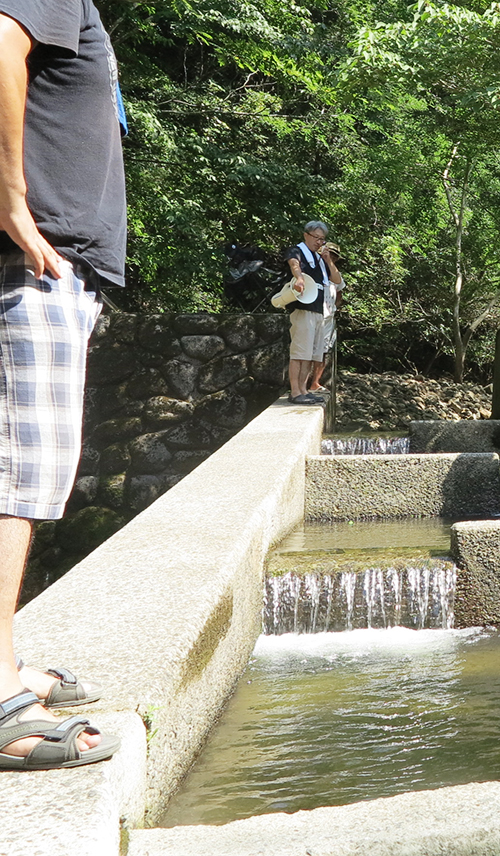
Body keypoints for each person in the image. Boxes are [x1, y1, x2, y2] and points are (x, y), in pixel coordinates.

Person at [0, 0, 125, 769]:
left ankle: (6, 663)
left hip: (43, 268)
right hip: (33, 266)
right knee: (18, 476)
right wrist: (13, 198)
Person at [285, 221, 343, 404]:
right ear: (306, 235)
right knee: (299, 353)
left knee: (311, 354)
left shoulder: (320, 259)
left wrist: (328, 260)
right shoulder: (297, 251)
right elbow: (294, 264)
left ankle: (303, 389)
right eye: (316, 238)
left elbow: (337, 279)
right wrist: (299, 278)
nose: (319, 242)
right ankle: (295, 391)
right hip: (303, 308)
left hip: (320, 311)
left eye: (322, 239)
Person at [309, 240, 345, 393]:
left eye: (333, 256)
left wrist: (334, 308)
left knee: (323, 352)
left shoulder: (335, 274)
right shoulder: (313, 270)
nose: (331, 258)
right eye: (329, 255)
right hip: (312, 315)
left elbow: (339, 293)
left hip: (328, 318)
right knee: (307, 351)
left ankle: (315, 383)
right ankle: (302, 385)